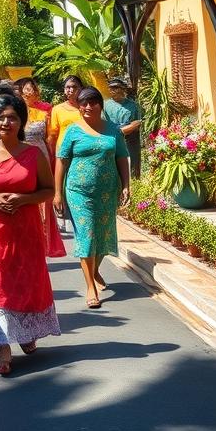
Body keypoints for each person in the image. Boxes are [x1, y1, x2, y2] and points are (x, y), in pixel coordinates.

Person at [0, 94, 60, 375]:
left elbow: (48, 190)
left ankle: (27, 330)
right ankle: (4, 346)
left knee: (26, 279)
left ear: (21, 121)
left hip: (25, 227)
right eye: (1, 117)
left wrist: (22, 198)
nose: (6, 122)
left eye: (13, 117)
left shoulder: (33, 154)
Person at [54, 86, 130, 310]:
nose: (88, 107)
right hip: (78, 192)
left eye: (92, 102)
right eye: (83, 103)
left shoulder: (113, 130)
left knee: (104, 236)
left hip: (107, 192)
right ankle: (90, 287)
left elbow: (122, 157)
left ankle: (94, 270)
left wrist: (126, 185)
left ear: (100, 105)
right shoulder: (73, 131)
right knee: (87, 237)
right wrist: (57, 192)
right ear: (78, 106)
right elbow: (61, 161)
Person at [15, 77, 65, 258]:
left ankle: (43, 238)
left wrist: (52, 157)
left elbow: (50, 136)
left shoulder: (46, 109)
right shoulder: (16, 110)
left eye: (32, 88)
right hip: (20, 153)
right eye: (25, 89)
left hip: (41, 153)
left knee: (43, 195)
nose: (29, 92)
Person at [104, 78, 143, 177]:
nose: (112, 90)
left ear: (122, 89)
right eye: (110, 88)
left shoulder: (133, 106)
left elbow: (138, 123)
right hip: (113, 142)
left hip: (130, 143)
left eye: (116, 87)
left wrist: (132, 127)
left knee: (132, 169)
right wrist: (125, 128)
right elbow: (103, 125)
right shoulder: (105, 106)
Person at [47, 74, 86, 159]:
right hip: (64, 154)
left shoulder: (87, 108)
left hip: (85, 152)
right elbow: (52, 136)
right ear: (64, 90)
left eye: (74, 87)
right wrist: (52, 157)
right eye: (67, 87)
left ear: (81, 89)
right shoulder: (57, 109)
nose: (71, 90)